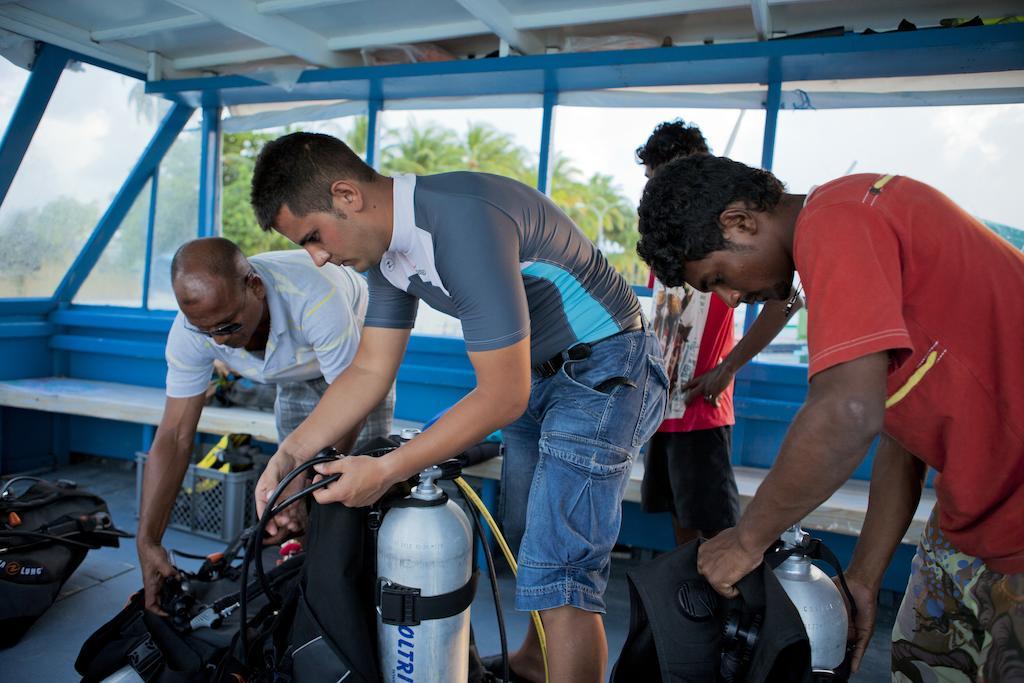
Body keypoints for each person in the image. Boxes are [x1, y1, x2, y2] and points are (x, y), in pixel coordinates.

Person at [249, 132, 667, 682]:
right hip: (539, 377)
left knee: (561, 567)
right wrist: (289, 455)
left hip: (605, 369)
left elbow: (501, 394)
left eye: (313, 236)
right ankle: (536, 665)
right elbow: (371, 370)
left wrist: (386, 470)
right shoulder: (387, 255)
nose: (318, 257)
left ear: (347, 196)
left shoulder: (461, 222)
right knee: (525, 538)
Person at [636, 155, 1024, 679]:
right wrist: (863, 577)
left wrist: (746, 541)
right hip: (971, 518)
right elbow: (898, 434)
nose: (731, 298)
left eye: (720, 277)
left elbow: (847, 411)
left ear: (739, 221)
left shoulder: (840, 216)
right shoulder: (852, 234)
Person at [137, 237, 394, 614]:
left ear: (254, 286)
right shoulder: (194, 328)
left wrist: (303, 481)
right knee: (297, 508)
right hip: (292, 375)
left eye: (227, 325)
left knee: (357, 494)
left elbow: (352, 401)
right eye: (208, 332)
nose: (220, 341)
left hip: (356, 365)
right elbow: (174, 435)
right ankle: (313, 601)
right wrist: (148, 542)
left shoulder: (315, 294)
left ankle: (367, 600)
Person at [636, 120, 799, 546]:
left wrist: (728, 368)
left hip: (702, 407)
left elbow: (785, 301)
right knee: (680, 521)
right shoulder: (672, 252)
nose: (659, 191)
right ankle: (690, 608)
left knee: (718, 528)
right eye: (653, 181)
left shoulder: (723, 242)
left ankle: (731, 610)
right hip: (665, 407)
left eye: (664, 177)